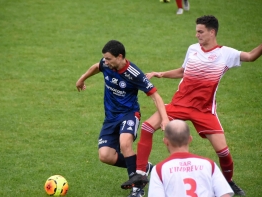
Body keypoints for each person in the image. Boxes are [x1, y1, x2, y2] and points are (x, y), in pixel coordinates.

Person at [121, 15, 262, 196]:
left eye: (200, 32)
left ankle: (228, 182)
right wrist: (159, 73)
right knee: (148, 127)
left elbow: (250, 56)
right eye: (196, 31)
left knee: (224, 152)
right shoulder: (193, 49)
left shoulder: (226, 53)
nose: (197, 35)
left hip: (204, 110)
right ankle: (140, 175)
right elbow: (182, 71)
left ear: (212, 32)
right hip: (180, 103)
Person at [76, 40, 169, 197]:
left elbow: (156, 96)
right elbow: (96, 67)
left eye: (108, 58)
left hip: (129, 114)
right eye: (104, 58)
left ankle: (137, 190)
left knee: (125, 143)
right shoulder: (106, 64)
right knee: (105, 156)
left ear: (120, 57)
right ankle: (143, 167)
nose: (105, 62)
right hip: (111, 118)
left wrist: (165, 119)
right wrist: (82, 78)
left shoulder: (134, 74)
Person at [148, 120, 234, 197]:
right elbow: (224, 195)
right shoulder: (209, 165)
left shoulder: (159, 169)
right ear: (190, 139)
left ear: (165, 141)